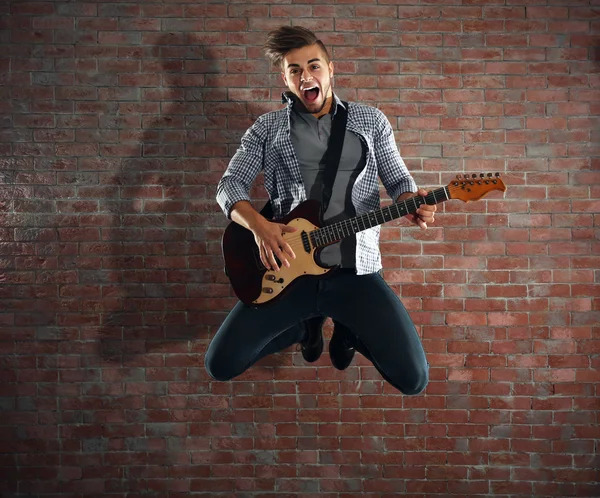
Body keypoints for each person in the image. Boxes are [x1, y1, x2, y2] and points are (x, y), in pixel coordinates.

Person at [205, 26, 436, 395]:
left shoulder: (370, 121)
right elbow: (228, 186)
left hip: (354, 273)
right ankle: (301, 326)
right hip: (288, 271)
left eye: (313, 66)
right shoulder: (267, 128)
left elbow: (398, 181)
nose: (305, 76)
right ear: (285, 78)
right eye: (294, 70)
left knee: (413, 379)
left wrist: (412, 201)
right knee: (220, 364)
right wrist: (260, 227)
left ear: (330, 68)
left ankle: (348, 328)